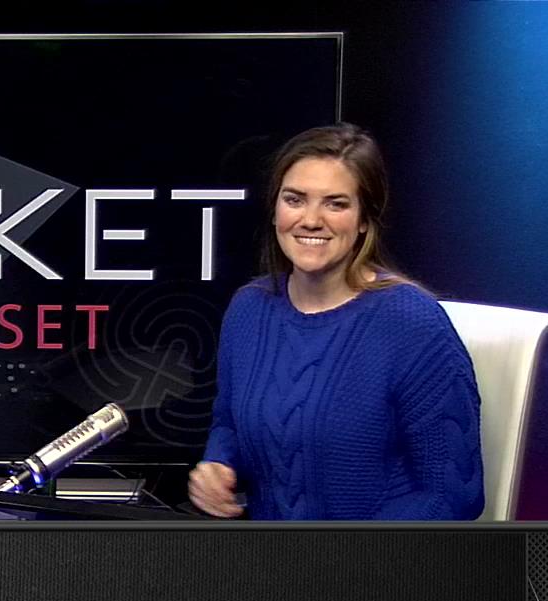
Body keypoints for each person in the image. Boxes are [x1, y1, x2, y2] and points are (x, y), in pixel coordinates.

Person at [189, 124, 484, 520]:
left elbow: (454, 494)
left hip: (377, 554)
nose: (311, 220)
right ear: (275, 210)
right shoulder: (249, 310)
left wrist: (345, 552)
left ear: (364, 219)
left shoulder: (413, 324)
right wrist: (218, 465)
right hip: (265, 553)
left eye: (335, 204)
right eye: (295, 200)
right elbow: (229, 423)